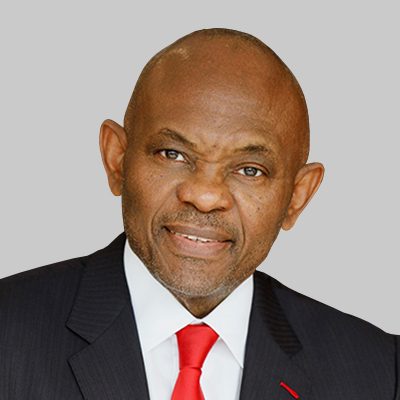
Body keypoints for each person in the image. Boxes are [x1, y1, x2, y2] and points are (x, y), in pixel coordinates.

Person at [0, 28, 398, 400]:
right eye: (172, 154)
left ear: (297, 196)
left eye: (250, 170)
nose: (205, 197)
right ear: (117, 159)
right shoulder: (8, 334)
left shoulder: (378, 371)